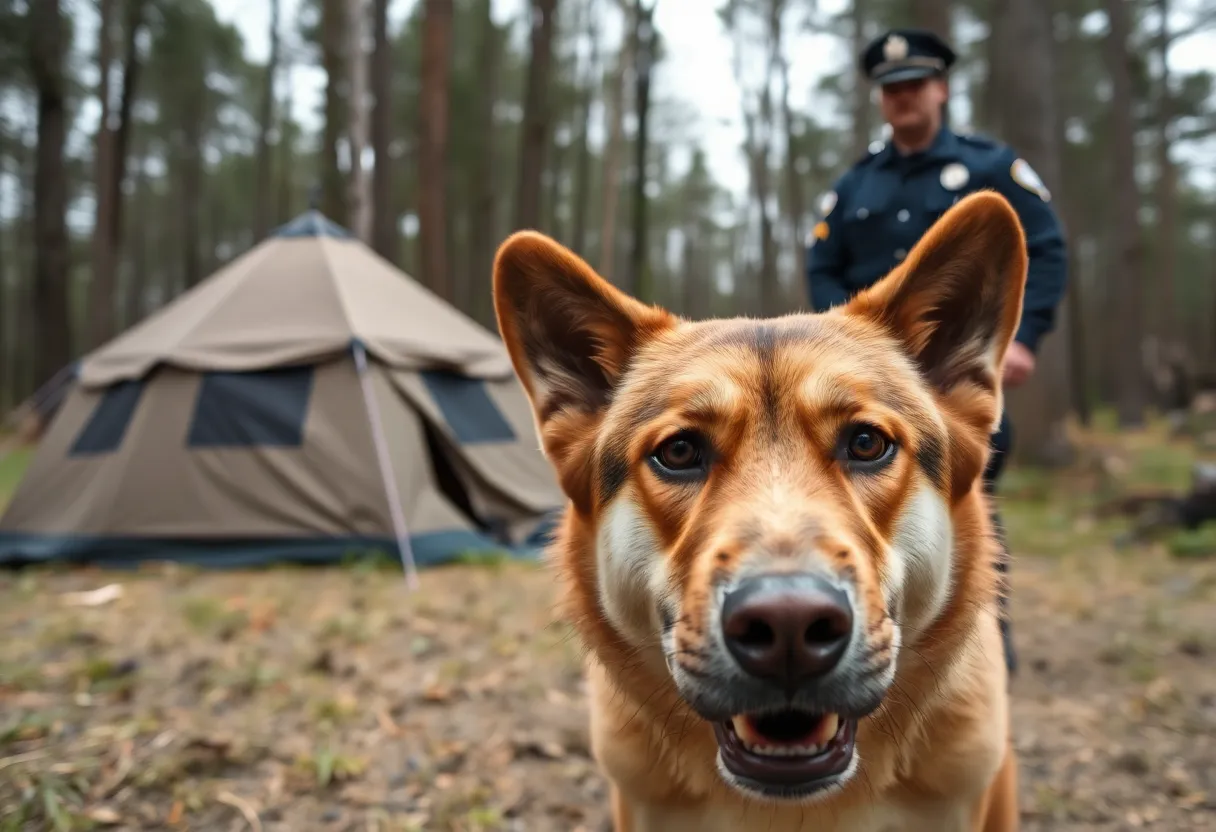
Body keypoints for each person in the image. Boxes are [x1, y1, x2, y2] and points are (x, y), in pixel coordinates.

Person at [805, 27, 1069, 679]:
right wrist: (841, 346)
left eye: (916, 84)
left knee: (969, 500)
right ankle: (871, 635)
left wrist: (1022, 338)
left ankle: (986, 644)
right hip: (866, 390)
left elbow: (1046, 249)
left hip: (952, 378)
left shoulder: (989, 168)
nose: (904, 97)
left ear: (942, 90)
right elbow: (822, 266)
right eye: (891, 88)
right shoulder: (855, 185)